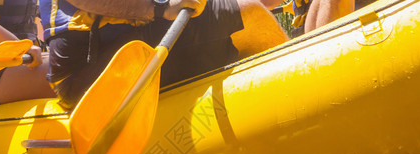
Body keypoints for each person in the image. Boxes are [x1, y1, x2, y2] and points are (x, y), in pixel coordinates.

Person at [39, 0, 288, 110]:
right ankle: (294, 106)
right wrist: (158, 8)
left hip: (134, 41)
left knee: (249, 12)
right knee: (252, 17)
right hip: (90, 70)